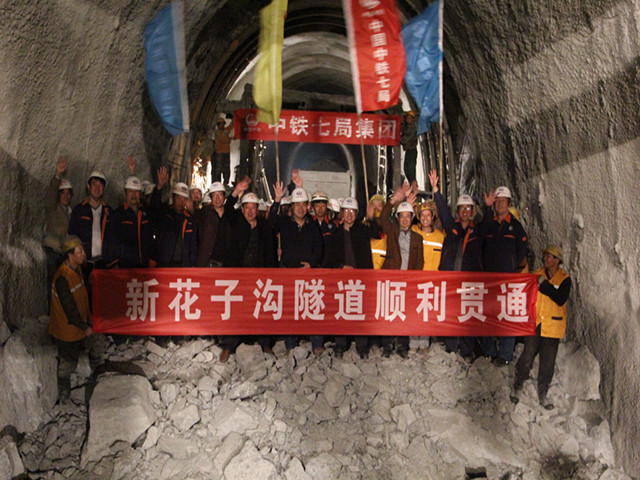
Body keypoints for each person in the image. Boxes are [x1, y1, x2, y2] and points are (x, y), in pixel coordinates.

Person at [218, 179, 278, 362]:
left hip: (260, 276)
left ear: (257, 209)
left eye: (254, 208)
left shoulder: (264, 227)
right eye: (247, 208)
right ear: (242, 209)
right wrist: (236, 191)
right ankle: (228, 345)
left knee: (262, 309)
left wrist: (271, 273)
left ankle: (265, 343)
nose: (250, 211)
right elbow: (227, 209)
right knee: (236, 310)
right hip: (238, 275)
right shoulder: (237, 222)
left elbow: (270, 251)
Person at [429, 170, 482, 359]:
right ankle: (451, 347)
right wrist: (436, 190)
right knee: (452, 313)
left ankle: (467, 349)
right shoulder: (452, 228)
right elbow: (443, 212)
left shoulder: (477, 232)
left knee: (468, 314)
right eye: (462, 208)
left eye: (468, 208)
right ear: (458, 211)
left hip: (469, 281)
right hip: (451, 279)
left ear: (472, 211)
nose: (465, 211)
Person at [511, 245, 571, 409]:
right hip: (536, 323)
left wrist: (544, 285)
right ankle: (518, 385)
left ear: (557, 260)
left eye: (549, 256)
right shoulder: (537, 274)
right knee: (527, 355)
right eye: (545, 256)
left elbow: (560, 299)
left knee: (547, 362)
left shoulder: (565, 279)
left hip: (552, 326)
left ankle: (543, 394)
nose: (546, 259)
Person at [49, 235, 105, 402]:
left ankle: (97, 376)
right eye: (79, 251)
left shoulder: (77, 269)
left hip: (79, 324)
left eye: (82, 251)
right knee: (68, 363)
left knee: (98, 342)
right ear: (69, 254)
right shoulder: (62, 277)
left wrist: (89, 318)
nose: (83, 254)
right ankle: (64, 396)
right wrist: (85, 327)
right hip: (65, 330)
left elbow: (82, 297)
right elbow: (70, 309)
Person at [270, 182, 323, 355]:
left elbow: (319, 248)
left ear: (308, 206)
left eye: (303, 204)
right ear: (292, 207)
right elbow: (271, 221)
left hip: (308, 274)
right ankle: (290, 344)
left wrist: (312, 264)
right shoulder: (285, 223)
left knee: (312, 306)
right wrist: (277, 200)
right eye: (297, 204)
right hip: (289, 274)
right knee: (290, 309)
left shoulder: (313, 225)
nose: (300, 208)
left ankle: (317, 344)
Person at [323, 197, 379, 358]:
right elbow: (329, 259)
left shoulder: (362, 230)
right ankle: (340, 343)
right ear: (341, 213)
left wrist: (371, 217)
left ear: (356, 214)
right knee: (341, 311)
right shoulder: (335, 234)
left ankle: (362, 345)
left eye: (352, 211)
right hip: (341, 280)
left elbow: (377, 233)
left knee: (360, 311)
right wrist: (341, 267)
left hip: (361, 279)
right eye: (346, 211)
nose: (349, 214)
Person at [480, 186, 529, 366]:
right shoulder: (490, 224)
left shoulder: (515, 227)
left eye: (503, 201)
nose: (500, 204)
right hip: (490, 280)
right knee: (489, 315)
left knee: (506, 315)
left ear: (508, 203)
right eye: (497, 201)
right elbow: (480, 238)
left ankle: (505, 354)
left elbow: (522, 250)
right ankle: (489, 351)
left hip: (508, 280)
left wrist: (511, 266)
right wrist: (486, 208)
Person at [379, 184, 424, 357]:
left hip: (407, 281)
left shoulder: (417, 238)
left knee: (404, 313)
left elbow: (419, 262)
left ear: (412, 218)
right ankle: (387, 345)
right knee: (389, 312)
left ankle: (402, 345)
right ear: (397, 218)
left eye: (408, 216)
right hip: (391, 279)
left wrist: (414, 281)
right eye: (402, 216)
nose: (405, 220)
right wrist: (393, 201)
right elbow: (383, 218)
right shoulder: (392, 231)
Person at [410, 199, 445, 352]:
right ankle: (413, 343)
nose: (425, 218)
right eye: (422, 215)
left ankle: (424, 343)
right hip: (416, 280)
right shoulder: (414, 231)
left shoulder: (440, 237)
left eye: (428, 215)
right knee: (413, 312)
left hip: (432, 282)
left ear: (432, 217)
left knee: (427, 312)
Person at [106, 176, 156, 268]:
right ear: (126, 193)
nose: (133, 195)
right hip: (124, 266)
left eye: (136, 191)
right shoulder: (118, 214)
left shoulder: (146, 214)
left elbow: (150, 239)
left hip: (144, 265)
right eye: (130, 191)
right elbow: (112, 240)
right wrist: (114, 262)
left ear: (140, 194)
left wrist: (152, 259)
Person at [43, 157, 73, 305]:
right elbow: (50, 197)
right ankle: (52, 313)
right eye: (62, 193)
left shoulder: (70, 212)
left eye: (68, 193)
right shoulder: (53, 208)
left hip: (63, 253)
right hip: (53, 251)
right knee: (54, 284)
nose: (65, 196)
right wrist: (57, 175)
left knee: (63, 286)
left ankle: (59, 313)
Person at [68, 169, 112, 267]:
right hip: (84, 262)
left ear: (104, 188)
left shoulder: (109, 212)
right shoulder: (79, 210)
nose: (97, 188)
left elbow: (114, 238)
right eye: (94, 183)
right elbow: (72, 235)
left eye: (100, 185)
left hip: (105, 262)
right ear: (88, 186)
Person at [154, 182, 198, 267]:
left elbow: (193, 245)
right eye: (178, 198)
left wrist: (192, 264)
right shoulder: (165, 214)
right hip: (164, 262)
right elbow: (154, 209)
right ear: (173, 198)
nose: (181, 202)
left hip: (183, 264)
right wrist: (159, 188)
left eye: (184, 199)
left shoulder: (190, 219)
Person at [195, 181, 229, 267]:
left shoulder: (230, 215)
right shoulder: (204, 213)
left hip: (227, 263)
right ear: (211, 198)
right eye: (214, 195)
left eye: (220, 194)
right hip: (208, 263)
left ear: (224, 197)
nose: (217, 198)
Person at [214, 116, 233, 185]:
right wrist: (231, 138)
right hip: (219, 153)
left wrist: (234, 117)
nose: (222, 125)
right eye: (220, 124)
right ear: (218, 125)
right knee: (219, 169)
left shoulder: (225, 130)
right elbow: (223, 139)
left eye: (223, 124)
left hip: (226, 152)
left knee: (227, 169)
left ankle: (225, 183)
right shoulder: (217, 132)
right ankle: (218, 183)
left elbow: (232, 125)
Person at [400, 111, 418, 184]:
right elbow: (402, 129)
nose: (408, 119)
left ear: (413, 119)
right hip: (408, 150)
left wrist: (398, 139)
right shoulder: (406, 127)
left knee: (411, 169)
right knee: (406, 169)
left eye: (410, 118)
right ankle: (411, 184)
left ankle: (413, 185)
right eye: (407, 118)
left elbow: (406, 138)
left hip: (412, 150)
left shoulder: (413, 128)